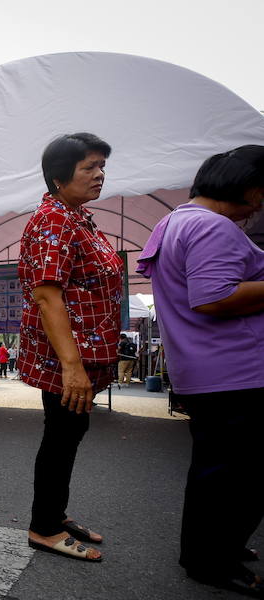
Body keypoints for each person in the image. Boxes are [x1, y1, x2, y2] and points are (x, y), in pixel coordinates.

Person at [137, 145, 264, 596]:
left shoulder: (175, 220)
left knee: (218, 470)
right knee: (241, 473)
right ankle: (212, 558)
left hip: (206, 368)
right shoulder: (213, 226)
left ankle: (209, 549)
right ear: (250, 188)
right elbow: (213, 296)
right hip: (238, 367)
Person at [18, 133, 122, 562]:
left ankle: (54, 515)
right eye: (89, 168)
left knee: (68, 436)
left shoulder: (78, 217)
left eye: (102, 166)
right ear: (59, 178)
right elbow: (47, 295)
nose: (99, 175)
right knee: (60, 439)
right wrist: (72, 367)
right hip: (67, 360)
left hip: (84, 355)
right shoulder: (54, 221)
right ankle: (43, 527)